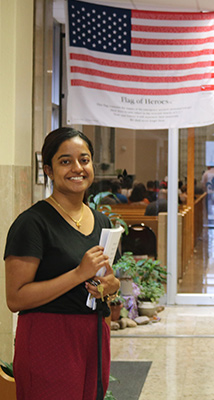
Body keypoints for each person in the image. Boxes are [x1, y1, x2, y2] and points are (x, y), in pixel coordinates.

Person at [4, 127, 121, 399]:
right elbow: (16, 298)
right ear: (48, 169)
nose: (77, 168)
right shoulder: (32, 223)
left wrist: (110, 286)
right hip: (49, 338)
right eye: (65, 161)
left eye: (84, 159)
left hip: (93, 335)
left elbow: (108, 280)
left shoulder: (101, 221)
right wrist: (79, 273)